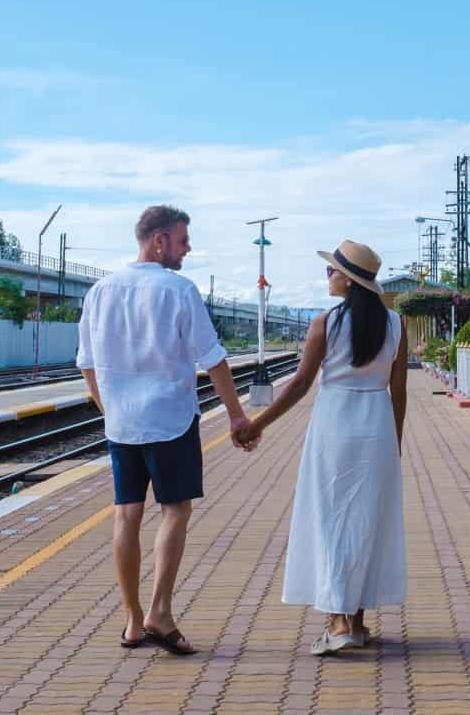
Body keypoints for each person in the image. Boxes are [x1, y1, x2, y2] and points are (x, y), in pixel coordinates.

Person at [78, 205, 255, 657]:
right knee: (175, 510)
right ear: (158, 241)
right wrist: (236, 416)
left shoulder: (99, 290)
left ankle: (133, 620)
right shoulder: (178, 289)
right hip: (171, 420)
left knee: (126, 515)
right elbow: (212, 357)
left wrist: (109, 409)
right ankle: (160, 612)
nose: (187, 248)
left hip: (122, 424)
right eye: (182, 240)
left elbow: (87, 366)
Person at [236, 239, 408, 656]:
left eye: (332, 271)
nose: (327, 276)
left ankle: (337, 622)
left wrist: (255, 423)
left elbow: (298, 385)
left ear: (348, 281)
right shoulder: (395, 325)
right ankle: (359, 621)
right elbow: (399, 392)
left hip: (333, 426)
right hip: (377, 427)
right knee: (368, 520)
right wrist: (394, 445)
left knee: (331, 519)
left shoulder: (324, 323)